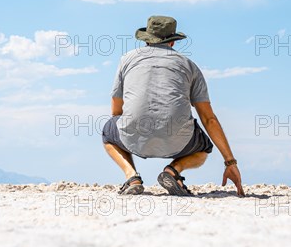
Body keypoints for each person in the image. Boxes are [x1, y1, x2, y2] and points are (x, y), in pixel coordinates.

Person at [102, 16, 245, 197]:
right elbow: (209, 119)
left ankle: (132, 177)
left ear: (146, 39)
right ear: (172, 43)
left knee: (108, 131)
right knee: (203, 148)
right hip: (179, 141)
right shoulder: (189, 66)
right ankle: (173, 170)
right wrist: (230, 163)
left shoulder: (127, 60)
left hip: (133, 138)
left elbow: (116, 111)